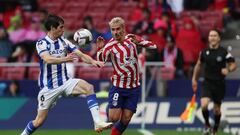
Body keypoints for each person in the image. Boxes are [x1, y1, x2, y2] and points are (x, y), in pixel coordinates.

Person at [20, 14, 113, 135]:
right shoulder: (42, 43)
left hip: (65, 82)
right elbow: (47, 59)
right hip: (49, 88)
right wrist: (65, 59)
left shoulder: (63, 41)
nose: (63, 30)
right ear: (53, 28)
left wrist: (94, 62)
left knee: (89, 88)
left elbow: (80, 54)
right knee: (39, 121)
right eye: (61, 27)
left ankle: (97, 122)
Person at [96, 17, 157, 135]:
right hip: (118, 86)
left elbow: (152, 46)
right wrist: (100, 49)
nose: (115, 32)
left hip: (134, 87)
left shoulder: (131, 39)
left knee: (126, 118)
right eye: (113, 30)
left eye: (118, 29)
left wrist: (139, 42)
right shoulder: (110, 46)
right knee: (114, 118)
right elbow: (100, 63)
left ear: (123, 29)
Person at [192, 29, 237, 135]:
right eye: (210, 35)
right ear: (208, 38)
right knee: (204, 104)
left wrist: (228, 70)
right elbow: (198, 66)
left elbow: (233, 65)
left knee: (217, 110)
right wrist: (194, 79)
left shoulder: (224, 52)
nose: (212, 37)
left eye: (214, 35)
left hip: (219, 84)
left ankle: (215, 129)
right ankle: (207, 125)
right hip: (207, 83)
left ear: (219, 38)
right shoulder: (203, 52)